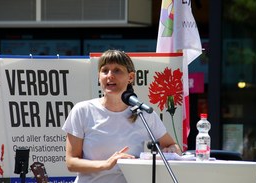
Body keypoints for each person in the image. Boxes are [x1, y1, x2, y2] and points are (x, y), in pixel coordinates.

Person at [62, 49, 181, 183]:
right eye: (105, 70)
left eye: (117, 70)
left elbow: (174, 147)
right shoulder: (82, 111)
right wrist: (106, 164)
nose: (110, 76)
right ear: (99, 76)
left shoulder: (144, 114)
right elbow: (71, 163)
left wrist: (170, 150)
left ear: (130, 77)